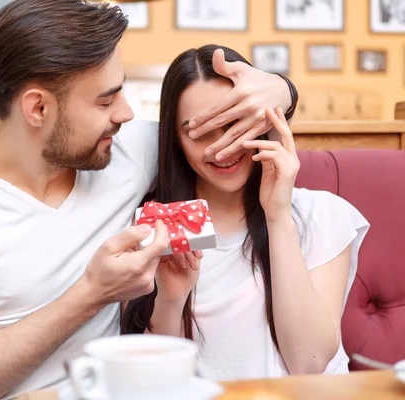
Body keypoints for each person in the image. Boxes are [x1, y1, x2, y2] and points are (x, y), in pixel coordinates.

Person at [0, 2, 298, 399]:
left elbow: (212, 135)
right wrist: (92, 294)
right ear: (38, 107)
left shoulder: (126, 151)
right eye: (105, 99)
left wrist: (281, 88)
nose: (126, 113)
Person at [121, 45, 370, 380]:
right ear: (175, 139)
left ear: (264, 121)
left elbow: (309, 363)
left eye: (236, 124)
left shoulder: (321, 214)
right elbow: (156, 380)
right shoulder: (152, 229)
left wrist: (278, 214)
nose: (223, 147)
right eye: (198, 131)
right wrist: (170, 299)